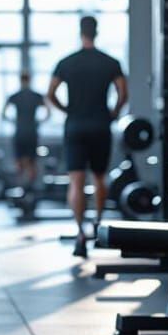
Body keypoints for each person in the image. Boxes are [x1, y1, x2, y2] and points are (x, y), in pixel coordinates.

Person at [47, 15, 128, 259]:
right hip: (100, 124)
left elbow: (50, 94)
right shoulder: (110, 62)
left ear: (80, 32)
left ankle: (80, 233)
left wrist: (67, 111)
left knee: (76, 181)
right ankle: (98, 223)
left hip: (75, 125)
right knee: (100, 177)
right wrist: (113, 113)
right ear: (97, 32)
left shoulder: (66, 62)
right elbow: (123, 92)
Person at [3, 71, 49, 187]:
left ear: (20, 79)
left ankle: (21, 188)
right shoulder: (37, 96)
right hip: (32, 132)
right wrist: (39, 122)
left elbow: (3, 114)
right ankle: (30, 188)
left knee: (19, 162)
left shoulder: (15, 96)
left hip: (20, 132)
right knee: (32, 162)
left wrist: (14, 121)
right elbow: (48, 113)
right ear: (30, 79)